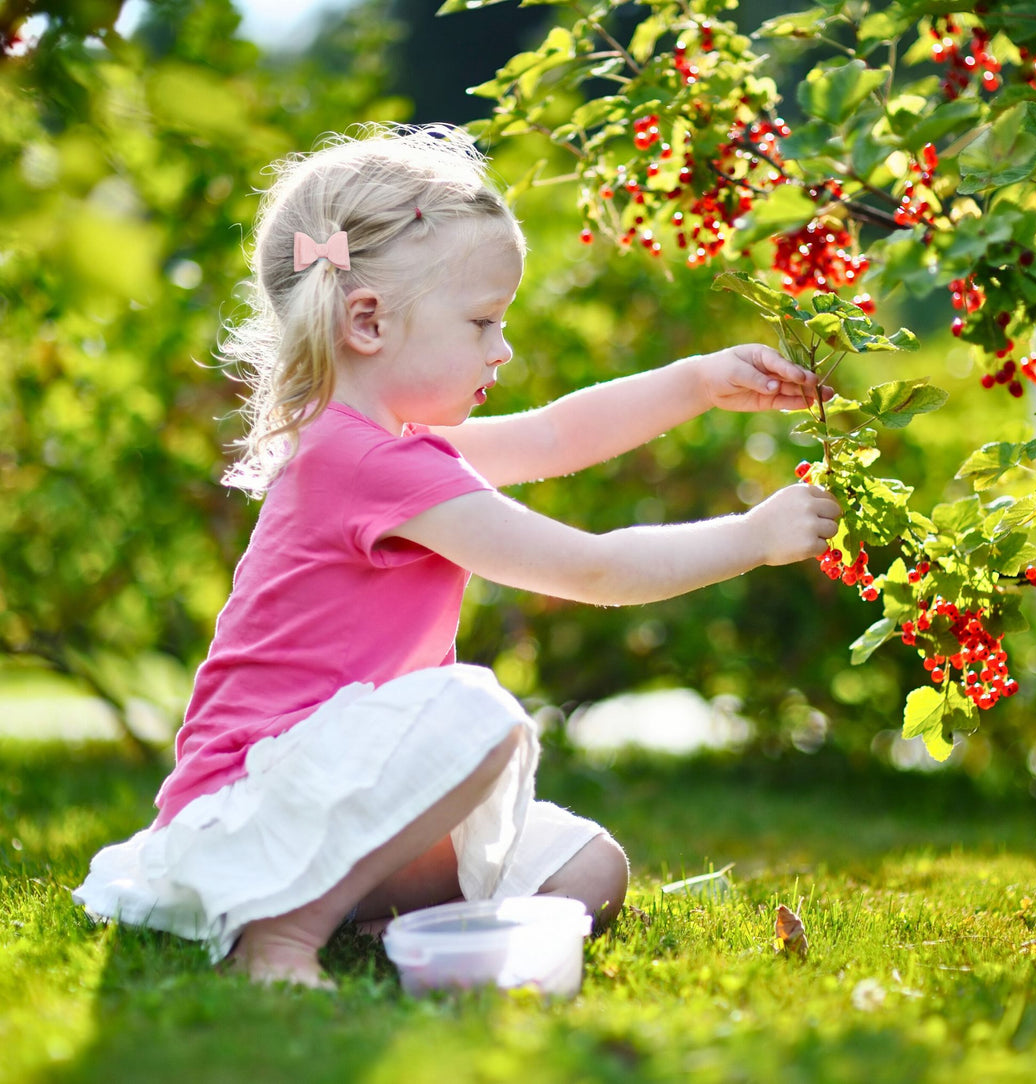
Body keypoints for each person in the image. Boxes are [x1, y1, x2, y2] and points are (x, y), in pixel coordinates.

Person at [73, 125, 841, 989]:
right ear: (368, 320)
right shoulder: (360, 462)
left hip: (339, 803)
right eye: (482, 322)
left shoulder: (388, 446)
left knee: (590, 868)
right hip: (249, 811)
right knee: (475, 712)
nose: (501, 349)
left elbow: (556, 433)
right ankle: (278, 936)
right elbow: (589, 569)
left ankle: (373, 927)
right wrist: (751, 537)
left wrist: (698, 381)